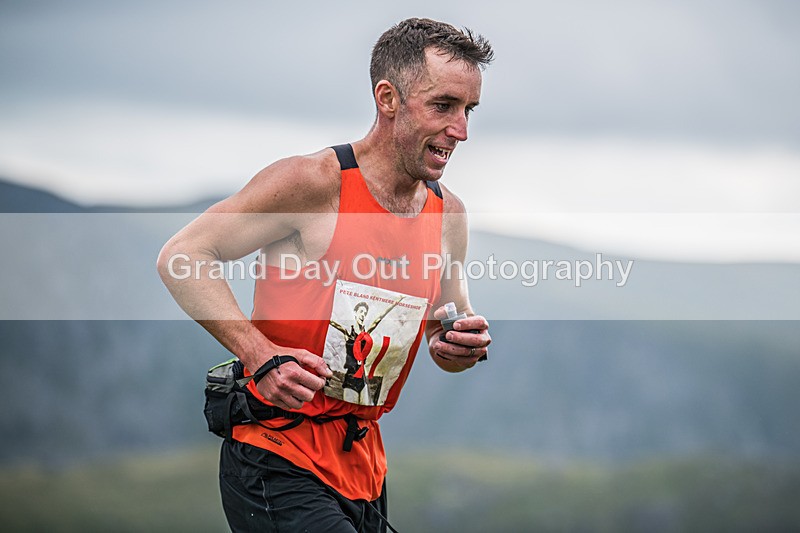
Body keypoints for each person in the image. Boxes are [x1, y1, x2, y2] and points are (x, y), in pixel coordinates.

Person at [157, 17, 493, 532]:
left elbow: (445, 323)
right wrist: (259, 353)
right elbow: (182, 257)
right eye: (443, 106)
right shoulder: (312, 183)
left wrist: (458, 344)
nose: (461, 131)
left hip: (363, 466)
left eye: (468, 110)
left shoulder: (449, 215)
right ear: (387, 98)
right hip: (276, 454)